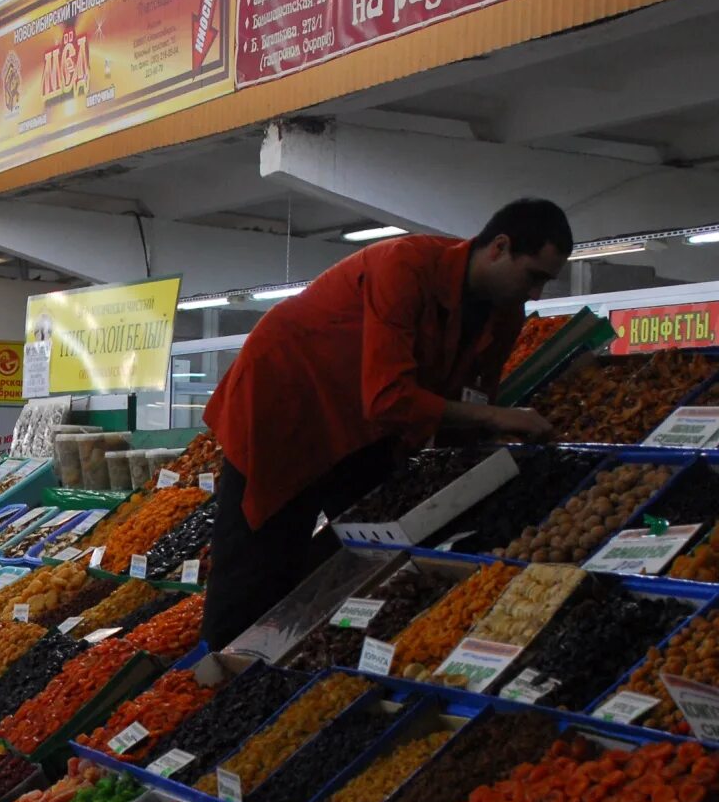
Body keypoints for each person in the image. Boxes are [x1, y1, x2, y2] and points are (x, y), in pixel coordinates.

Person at [199, 199, 568, 648]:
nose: (536, 295)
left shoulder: (505, 313)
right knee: (257, 560)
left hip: (365, 426)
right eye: (533, 276)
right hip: (287, 403)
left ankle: (313, 651)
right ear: (499, 247)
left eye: (545, 283)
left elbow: (469, 399)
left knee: (373, 544)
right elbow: (389, 397)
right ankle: (221, 672)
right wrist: (495, 416)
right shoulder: (406, 266)